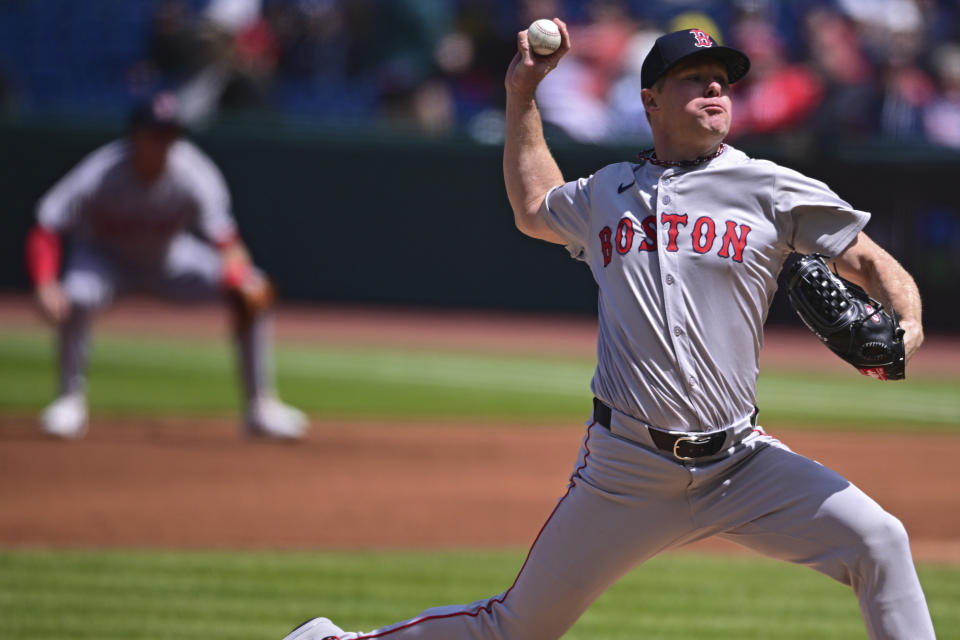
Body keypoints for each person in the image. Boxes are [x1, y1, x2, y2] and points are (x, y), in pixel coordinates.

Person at [282, 23, 935, 640]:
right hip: (628, 469)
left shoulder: (768, 186)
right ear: (650, 100)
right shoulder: (608, 192)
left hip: (742, 462)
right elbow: (536, 206)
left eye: (722, 79)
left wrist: (907, 325)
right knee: (517, 628)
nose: (715, 88)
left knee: (881, 542)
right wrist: (522, 94)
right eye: (694, 77)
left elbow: (871, 261)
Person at [24, 92, 307, 440]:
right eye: (155, 134)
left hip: (168, 259)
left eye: (170, 134)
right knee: (77, 295)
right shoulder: (102, 171)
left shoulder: (192, 170)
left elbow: (227, 242)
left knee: (254, 289)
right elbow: (47, 224)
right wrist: (44, 282)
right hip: (105, 259)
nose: (163, 143)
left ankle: (261, 408)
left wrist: (237, 276)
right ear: (135, 137)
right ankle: (68, 402)